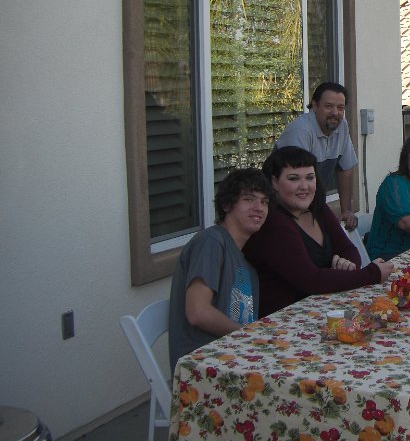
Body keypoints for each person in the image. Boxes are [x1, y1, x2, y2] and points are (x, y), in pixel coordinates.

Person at [244, 146, 394, 317]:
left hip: (326, 309)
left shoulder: (318, 208)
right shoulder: (273, 223)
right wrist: (372, 274)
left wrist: (347, 265)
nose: (304, 186)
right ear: (274, 183)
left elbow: (348, 249)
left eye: (310, 177)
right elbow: (311, 280)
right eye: (293, 179)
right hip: (284, 320)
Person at [168, 168, 272, 371]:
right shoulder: (211, 242)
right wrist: (249, 334)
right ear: (226, 205)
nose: (259, 208)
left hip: (236, 359)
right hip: (203, 368)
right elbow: (198, 312)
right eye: (249, 199)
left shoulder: (245, 262)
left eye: (264, 201)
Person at [276, 82, 359, 230]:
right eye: (328, 106)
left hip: (313, 205)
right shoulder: (301, 131)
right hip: (283, 210)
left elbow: (345, 168)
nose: (335, 112)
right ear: (315, 106)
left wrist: (345, 210)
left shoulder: (341, 125)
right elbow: (296, 181)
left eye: (340, 108)